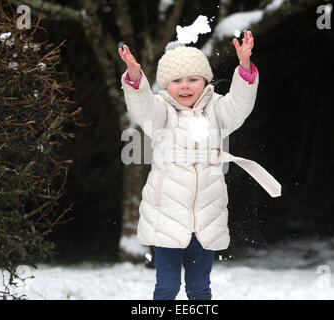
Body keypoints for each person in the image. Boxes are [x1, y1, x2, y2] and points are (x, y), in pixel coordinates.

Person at [118, 30, 281, 300]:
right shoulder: (160, 111)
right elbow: (142, 108)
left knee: (199, 289)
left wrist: (245, 69)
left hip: (206, 216)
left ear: (205, 81)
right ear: (165, 85)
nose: (185, 86)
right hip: (166, 217)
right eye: (177, 81)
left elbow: (239, 106)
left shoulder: (216, 109)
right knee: (167, 287)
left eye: (193, 79)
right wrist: (135, 80)